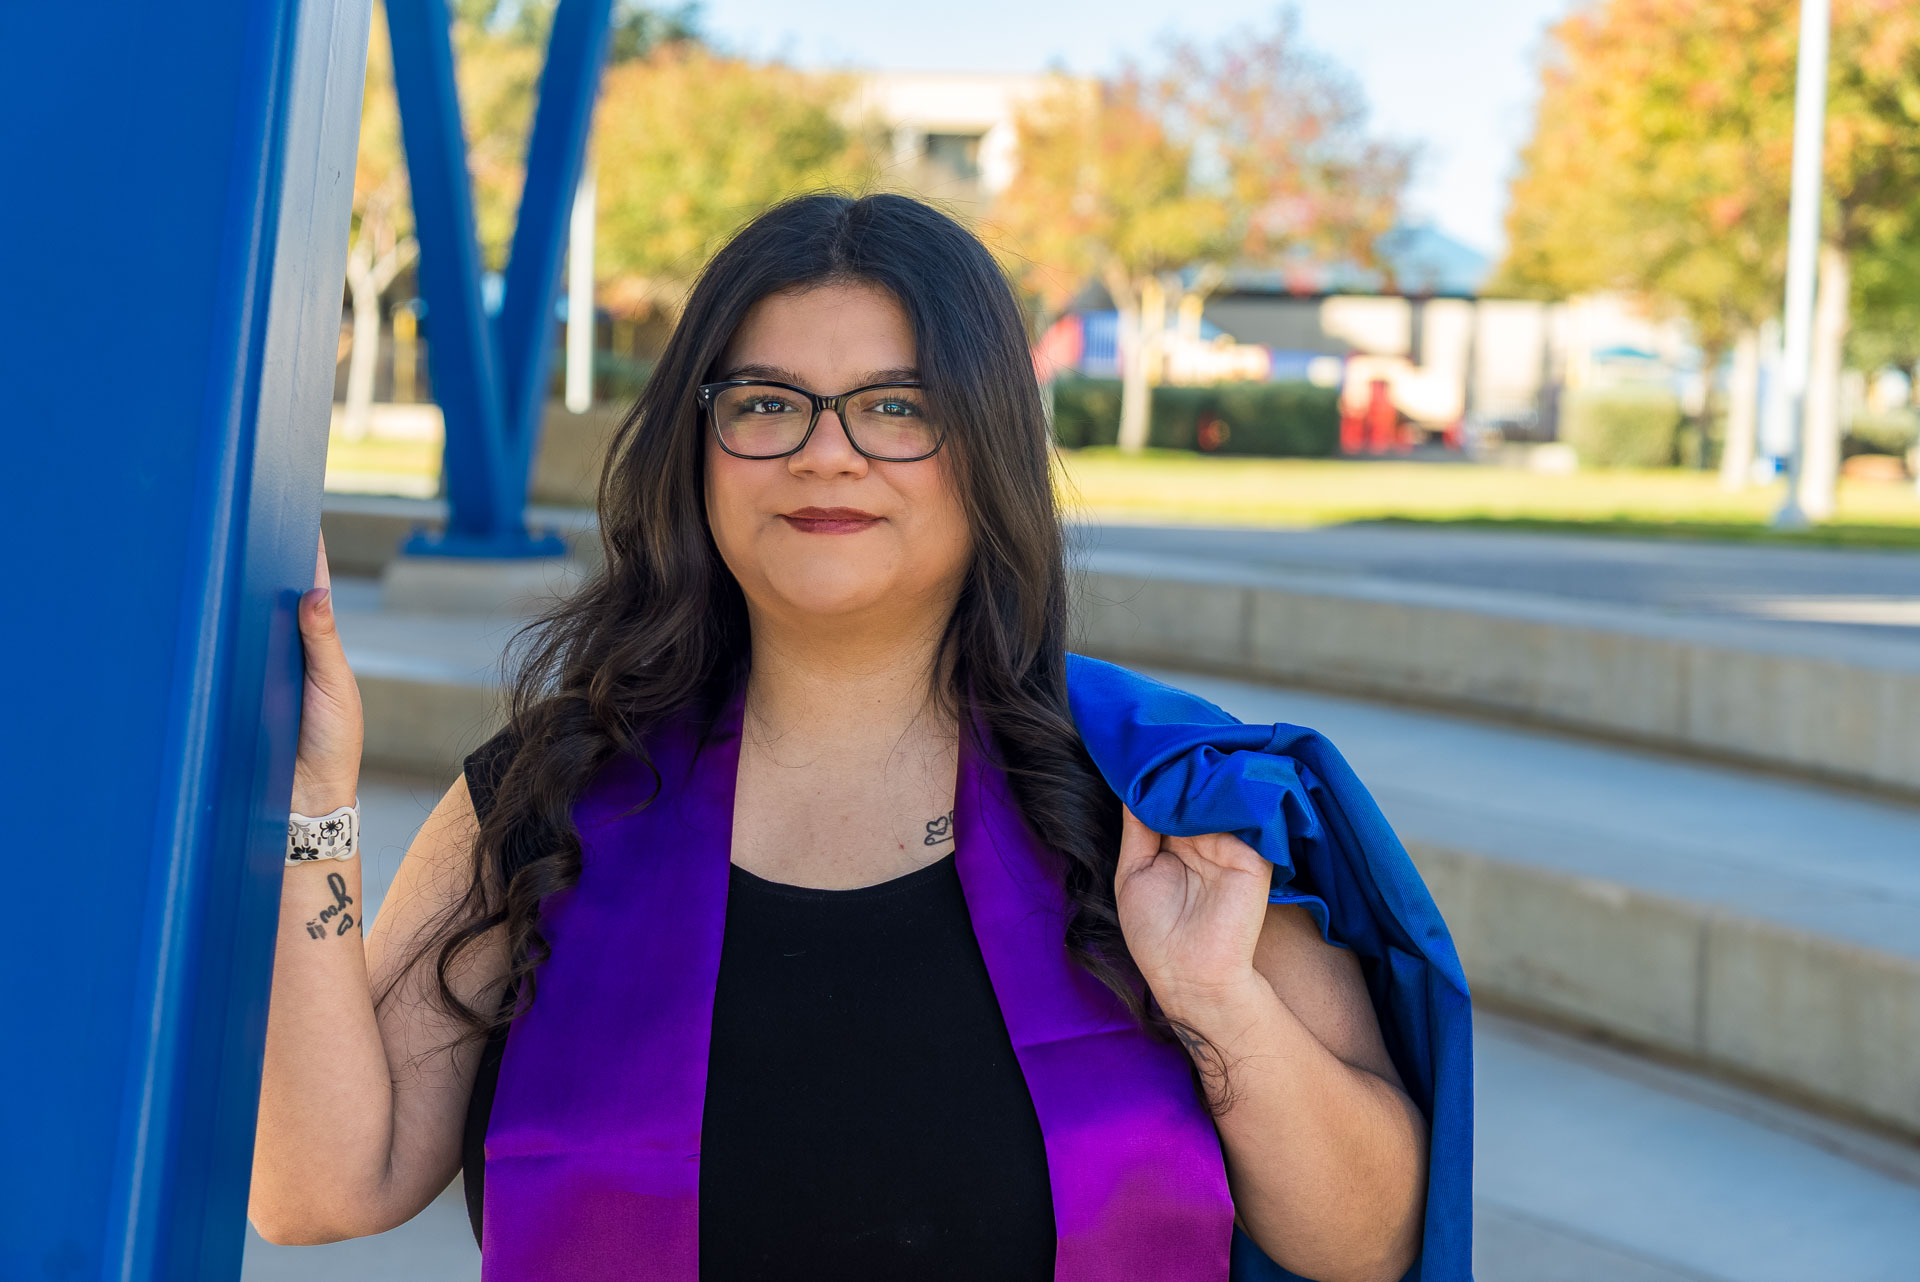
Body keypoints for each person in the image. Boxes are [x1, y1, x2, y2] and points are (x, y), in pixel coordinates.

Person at [248, 193, 1434, 1282]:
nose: (827, 451)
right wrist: (310, 811)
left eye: (898, 406)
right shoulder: (549, 798)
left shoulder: (1162, 793)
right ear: (696, 450)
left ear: (990, 448)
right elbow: (315, 1187)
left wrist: (1223, 1005)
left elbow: (1368, 1241)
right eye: (764, 402)